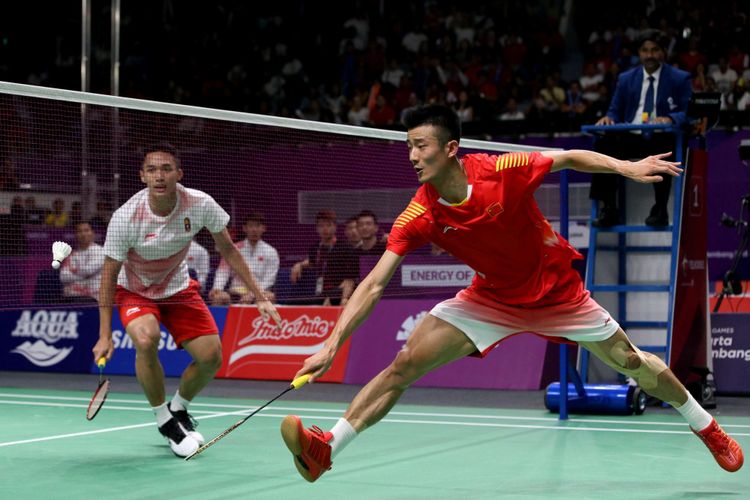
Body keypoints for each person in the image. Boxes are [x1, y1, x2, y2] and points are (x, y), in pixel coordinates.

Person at [279, 105, 743, 482]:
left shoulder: (503, 170)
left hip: (556, 293)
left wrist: (625, 166)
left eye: (421, 146)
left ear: (452, 148)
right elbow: (375, 281)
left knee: (632, 362)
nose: (413, 157)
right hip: (492, 299)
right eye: (408, 148)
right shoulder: (419, 212)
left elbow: (568, 157)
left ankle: (705, 426)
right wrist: (332, 342)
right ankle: (327, 448)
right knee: (404, 365)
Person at [92, 143, 281, 458]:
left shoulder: (199, 204)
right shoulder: (126, 217)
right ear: (142, 176)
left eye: (166, 168)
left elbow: (229, 249)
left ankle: (178, 407)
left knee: (211, 358)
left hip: (178, 289)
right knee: (146, 338)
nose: (159, 175)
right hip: (135, 290)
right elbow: (109, 276)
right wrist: (103, 334)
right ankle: (164, 420)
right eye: (152, 169)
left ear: (179, 173)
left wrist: (259, 296)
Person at [589, 29, 692, 227]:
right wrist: (608, 119)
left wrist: (670, 118)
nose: (650, 55)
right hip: (631, 137)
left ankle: (660, 210)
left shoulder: (680, 78)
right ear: (639, 53)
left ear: (663, 52)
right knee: (603, 145)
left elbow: (689, 112)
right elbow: (614, 111)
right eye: (645, 50)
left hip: (661, 137)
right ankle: (609, 208)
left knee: (663, 150)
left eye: (654, 50)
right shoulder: (626, 78)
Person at [209, 211, 279, 305]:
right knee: (219, 297)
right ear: (245, 228)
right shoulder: (234, 249)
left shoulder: (271, 252)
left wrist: (254, 294)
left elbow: (269, 280)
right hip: (236, 292)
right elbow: (223, 272)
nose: (254, 229)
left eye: (258, 226)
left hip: (260, 294)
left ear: (264, 228)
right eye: (251, 226)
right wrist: (217, 288)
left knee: (270, 297)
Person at [290, 210, 358, 306]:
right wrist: (299, 265)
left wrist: (343, 298)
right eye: (321, 226)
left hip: (337, 295)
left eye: (328, 225)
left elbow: (349, 279)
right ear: (317, 228)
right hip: (319, 294)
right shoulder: (315, 248)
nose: (325, 229)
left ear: (335, 227)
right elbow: (312, 261)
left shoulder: (345, 248)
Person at [59, 221, 105, 302]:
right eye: (79, 231)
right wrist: (84, 275)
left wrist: (74, 271)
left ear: (92, 233)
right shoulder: (72, 254)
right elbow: (63, 276)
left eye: (86, 230)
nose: (83, 234)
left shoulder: (101, 251)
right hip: (72, 297)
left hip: (94, 298)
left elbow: (88, 270)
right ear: (76, 235)